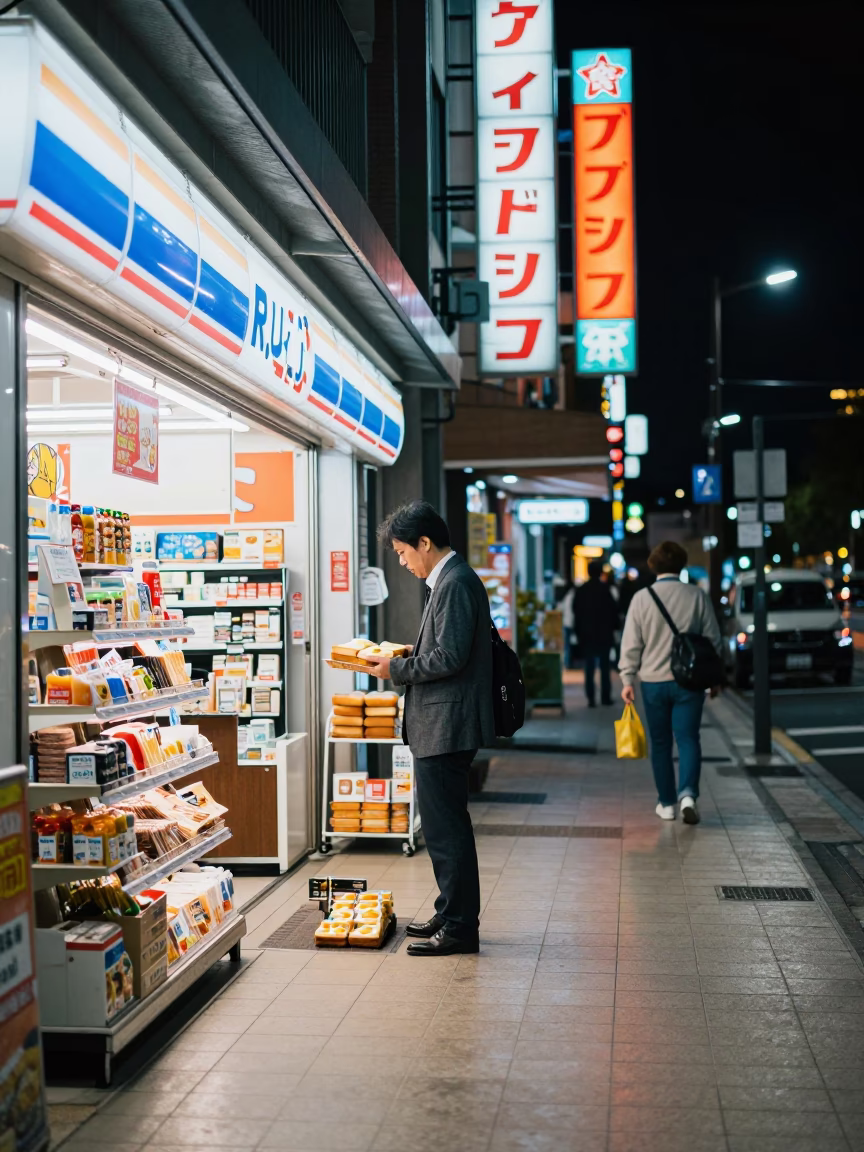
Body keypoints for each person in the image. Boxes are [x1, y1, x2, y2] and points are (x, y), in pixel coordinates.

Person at [366, 500, 494, 956]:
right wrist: (407, 652)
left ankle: (460, 928)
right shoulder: (449, 580)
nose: (402, 562)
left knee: (446, 829)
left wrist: (395, 669)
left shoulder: (454, 582)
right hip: (442, 720)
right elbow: (445, 649)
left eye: (403, 552)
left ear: (425, 543)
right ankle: (450, 910)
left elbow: (450, 658)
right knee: (443, 826)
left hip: (447, 723)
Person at [618, 541, 723, 825]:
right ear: (682, 564)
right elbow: (714, 639)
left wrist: (628, 678)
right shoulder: (697, 596)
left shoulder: (642, 597)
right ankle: (688, 794)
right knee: (688, 738)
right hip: (690, 681)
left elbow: (631, 644)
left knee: (661, 743)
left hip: (652, 682)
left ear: (654, 565)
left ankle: (666, 803)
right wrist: (714, 679)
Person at [573, 560, 619, 707]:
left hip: (587, 634)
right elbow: (614, 612)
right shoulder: (606, 590)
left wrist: (578, 632)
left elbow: (576, 612)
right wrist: (614, 628)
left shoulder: (581, 590)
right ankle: (606, 697)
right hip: (604, 634)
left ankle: (591, 697)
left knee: (589, 667)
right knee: (605, 667)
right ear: (600, 573)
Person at [559, 579, 576, 669]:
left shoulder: (569, 596)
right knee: (568, 644)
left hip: (567, 622)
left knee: (567, 644)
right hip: (570, 621)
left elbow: (562, 608)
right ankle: (568, 662)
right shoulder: (572, 595)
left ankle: (567, 662)